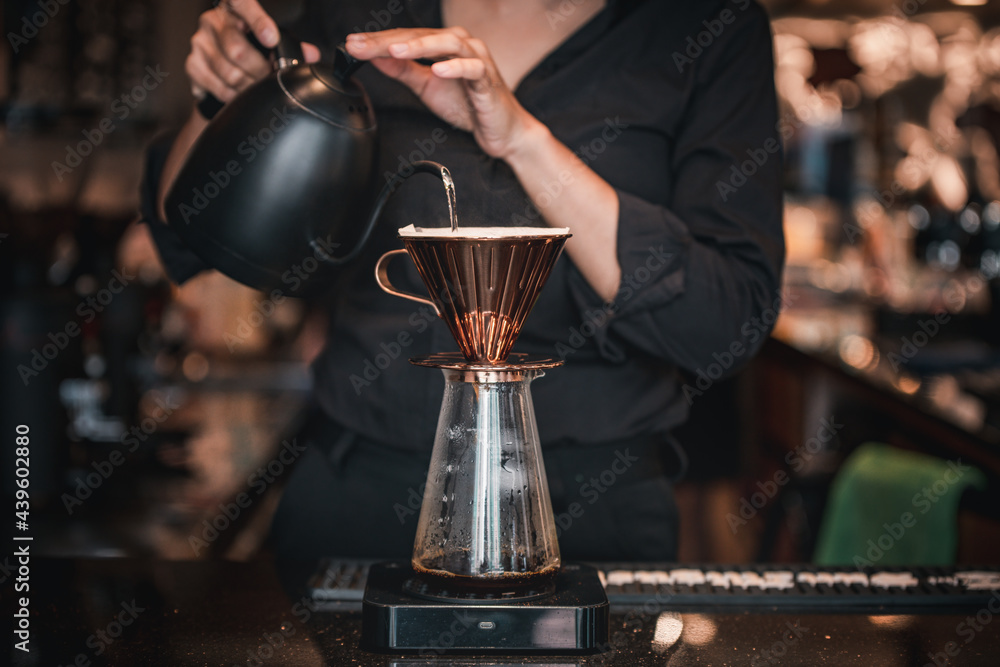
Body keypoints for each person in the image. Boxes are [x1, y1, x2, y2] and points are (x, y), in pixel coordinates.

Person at [142, 0, 785, 562]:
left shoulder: (708, 28)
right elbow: (193, 224)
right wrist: (222, 97)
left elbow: (722, 326)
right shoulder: (357, 13)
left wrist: (523, 140)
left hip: (591, 512)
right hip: (359, 495)